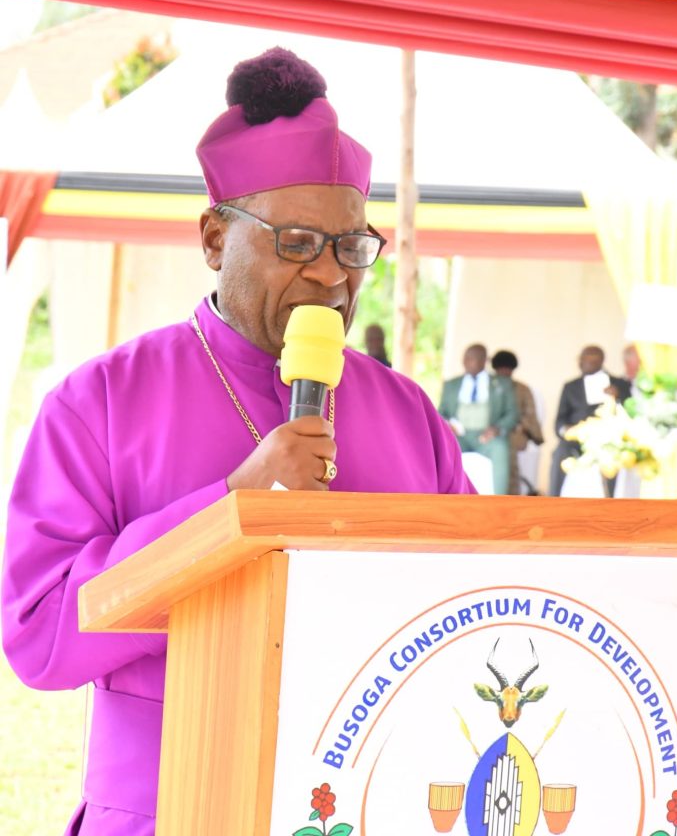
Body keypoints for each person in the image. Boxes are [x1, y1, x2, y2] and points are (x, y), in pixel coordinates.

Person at [1, 47, 473, 836]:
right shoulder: (101, 402)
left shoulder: (409, 415)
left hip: (363, 809)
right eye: (297, 243)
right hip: (166, 810)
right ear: (216, 239)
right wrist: (233, 506)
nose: (331, 277)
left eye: (352, 247)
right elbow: (39, 638)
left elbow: (463, 611)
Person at [548, 344, 631, 496]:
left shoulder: (619, 384)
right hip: (576, 438)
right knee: (561, 451)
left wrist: (617, 397)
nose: (583, 364)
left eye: (590, 361)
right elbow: (559, 421)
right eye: (582, 360)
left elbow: (631, 411)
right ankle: (553, 499)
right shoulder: (570, 387)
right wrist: (566, 430)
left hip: (607, 437)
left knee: (614, 455)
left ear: (601, 362)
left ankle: (612, 502)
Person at [438, 343, 518, 494]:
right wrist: (448, 425)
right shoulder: (451, 385)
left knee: (500, 448)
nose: (468, 362)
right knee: (445, 447)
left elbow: (512, 413)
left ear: (484, 361)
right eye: (466, 358)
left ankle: (499, 501)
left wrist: (497, 429)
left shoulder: (501, 383)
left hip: (486, 437)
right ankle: (446, 497)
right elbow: (441, 412)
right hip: (459, 436)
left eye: (473, 358)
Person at [490, 350, 544, 495]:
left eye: (507, 369)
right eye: (501, 369)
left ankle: (509, 497)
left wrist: (516, 425)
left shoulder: (522, 389)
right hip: (487, 433)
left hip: (515, 433)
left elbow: (530, 415)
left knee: (507, 451)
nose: (504, 372)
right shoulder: (487, 385)